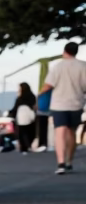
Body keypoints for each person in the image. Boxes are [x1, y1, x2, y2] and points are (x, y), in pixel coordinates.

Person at [39, 42, 86, 174]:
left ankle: (60, 163)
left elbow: (48, 85)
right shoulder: (83, 66)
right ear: (76, 51)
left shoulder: (58, 66)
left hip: (59, 104)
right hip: (76, 103)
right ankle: (69, 161)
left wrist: (40, 96)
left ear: (64, 51)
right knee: (71, 132)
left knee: (60, 132)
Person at [12, 82, 37, 154]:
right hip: (30, 117)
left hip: (21, 118)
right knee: (30, 132)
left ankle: (24, 147)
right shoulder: (32, 97)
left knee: (22, 133)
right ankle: (28, 145)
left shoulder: (19, 98)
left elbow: (15, 109)